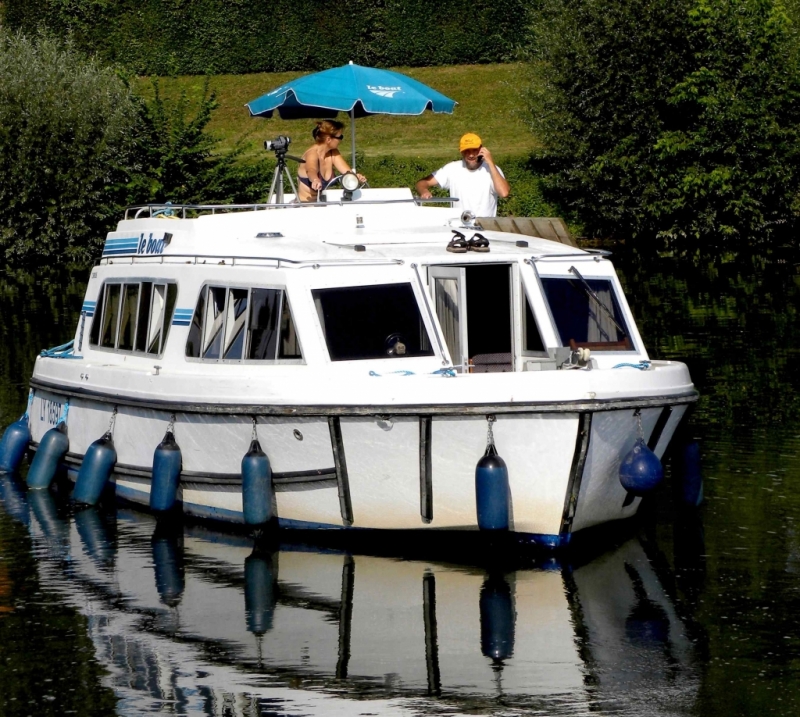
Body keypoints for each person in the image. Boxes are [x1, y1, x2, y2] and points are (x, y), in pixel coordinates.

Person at [415, 133, 510, 217]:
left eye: (474, 150)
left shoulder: (493, 170)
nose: (471, 155)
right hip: (459, 228)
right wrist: (424, 191)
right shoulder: (452, 168)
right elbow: (422, 183)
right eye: (467, 151)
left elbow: (504, 193)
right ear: (461, 151)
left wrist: (490, 162)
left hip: (485, 229)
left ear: (482, 149)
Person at [297, 120, 366, 202]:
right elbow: (311, 170)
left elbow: (347, 173)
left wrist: (355, 177)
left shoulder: (333, 153)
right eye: (340, 137)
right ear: (329, 139)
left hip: (323, 205)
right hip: (305, 206)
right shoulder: (312, 154)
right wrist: (315, 179)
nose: (341, 140)